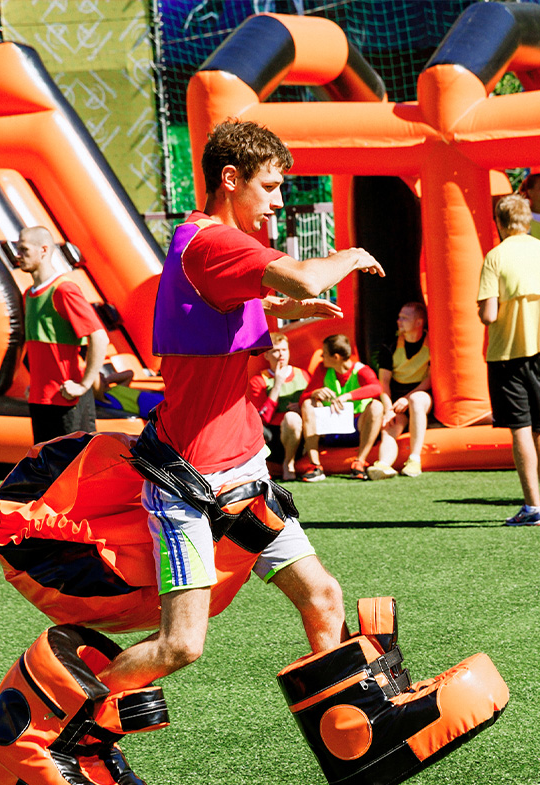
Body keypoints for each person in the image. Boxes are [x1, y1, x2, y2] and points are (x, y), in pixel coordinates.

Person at [97, 119, 384, 695]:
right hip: (190, 480)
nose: (278, 203)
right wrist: (350, 255)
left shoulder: (203, 245)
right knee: (181, 644)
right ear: (231, 179)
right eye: (270, 187)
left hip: (246, 472)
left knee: (324, 596)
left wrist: (276, 312)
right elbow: (306, 278)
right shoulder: (214, 243)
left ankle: (358, 724)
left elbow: (217, 312)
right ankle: (67, 717)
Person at [477, 193, 540, 526]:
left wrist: (484, 309)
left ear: (500, 223)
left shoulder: (496, 256)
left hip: (507, 353)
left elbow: (489, 314)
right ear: (528, 219)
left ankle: (532, 508)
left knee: (520, 427)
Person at [16, 225, 108, 443]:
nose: (18, 256)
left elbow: (99, 337)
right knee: (47, 464)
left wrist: (84, 385)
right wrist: (36, 385)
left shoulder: (64, 289)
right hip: (40, 401)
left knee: (74, 463)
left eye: (24, 250)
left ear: (44, 250)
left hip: (68, 401)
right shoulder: (28, 294)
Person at [299, 333, 384, 481]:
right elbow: (303, 399)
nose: (321, 357)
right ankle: (315, 466)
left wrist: (347, 396)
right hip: (329, 428)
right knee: (308, 404)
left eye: (324, 353)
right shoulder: (322, 369)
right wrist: (314, 393)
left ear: (336, 357)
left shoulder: (361, 370)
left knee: (377, 406)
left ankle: (359, 463)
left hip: (356, 428)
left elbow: (377, 388)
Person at [367, 301, 432, 479]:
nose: (399, 321)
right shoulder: (390, 345)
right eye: (399, 317)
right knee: (390, 425)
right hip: (396, 400)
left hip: (420, 394)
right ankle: (384, 464)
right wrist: (388, 409)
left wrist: (407, 398)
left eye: (404, 318)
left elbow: (430, 379)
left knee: (416, 400)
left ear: (419, 322)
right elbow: (384, 382)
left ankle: (414, 459)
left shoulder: (432, 342)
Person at [248, 332, 311, 481]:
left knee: (292, 418)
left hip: (299, 436)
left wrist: (302, 408)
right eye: (276, 351)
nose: (281, 354)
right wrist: (277, 385)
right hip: (272, 438)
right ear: (266, 355)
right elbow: (262, 419)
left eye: (284, 350)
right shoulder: (259, 380)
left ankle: (290, 463)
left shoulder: (302, 374)